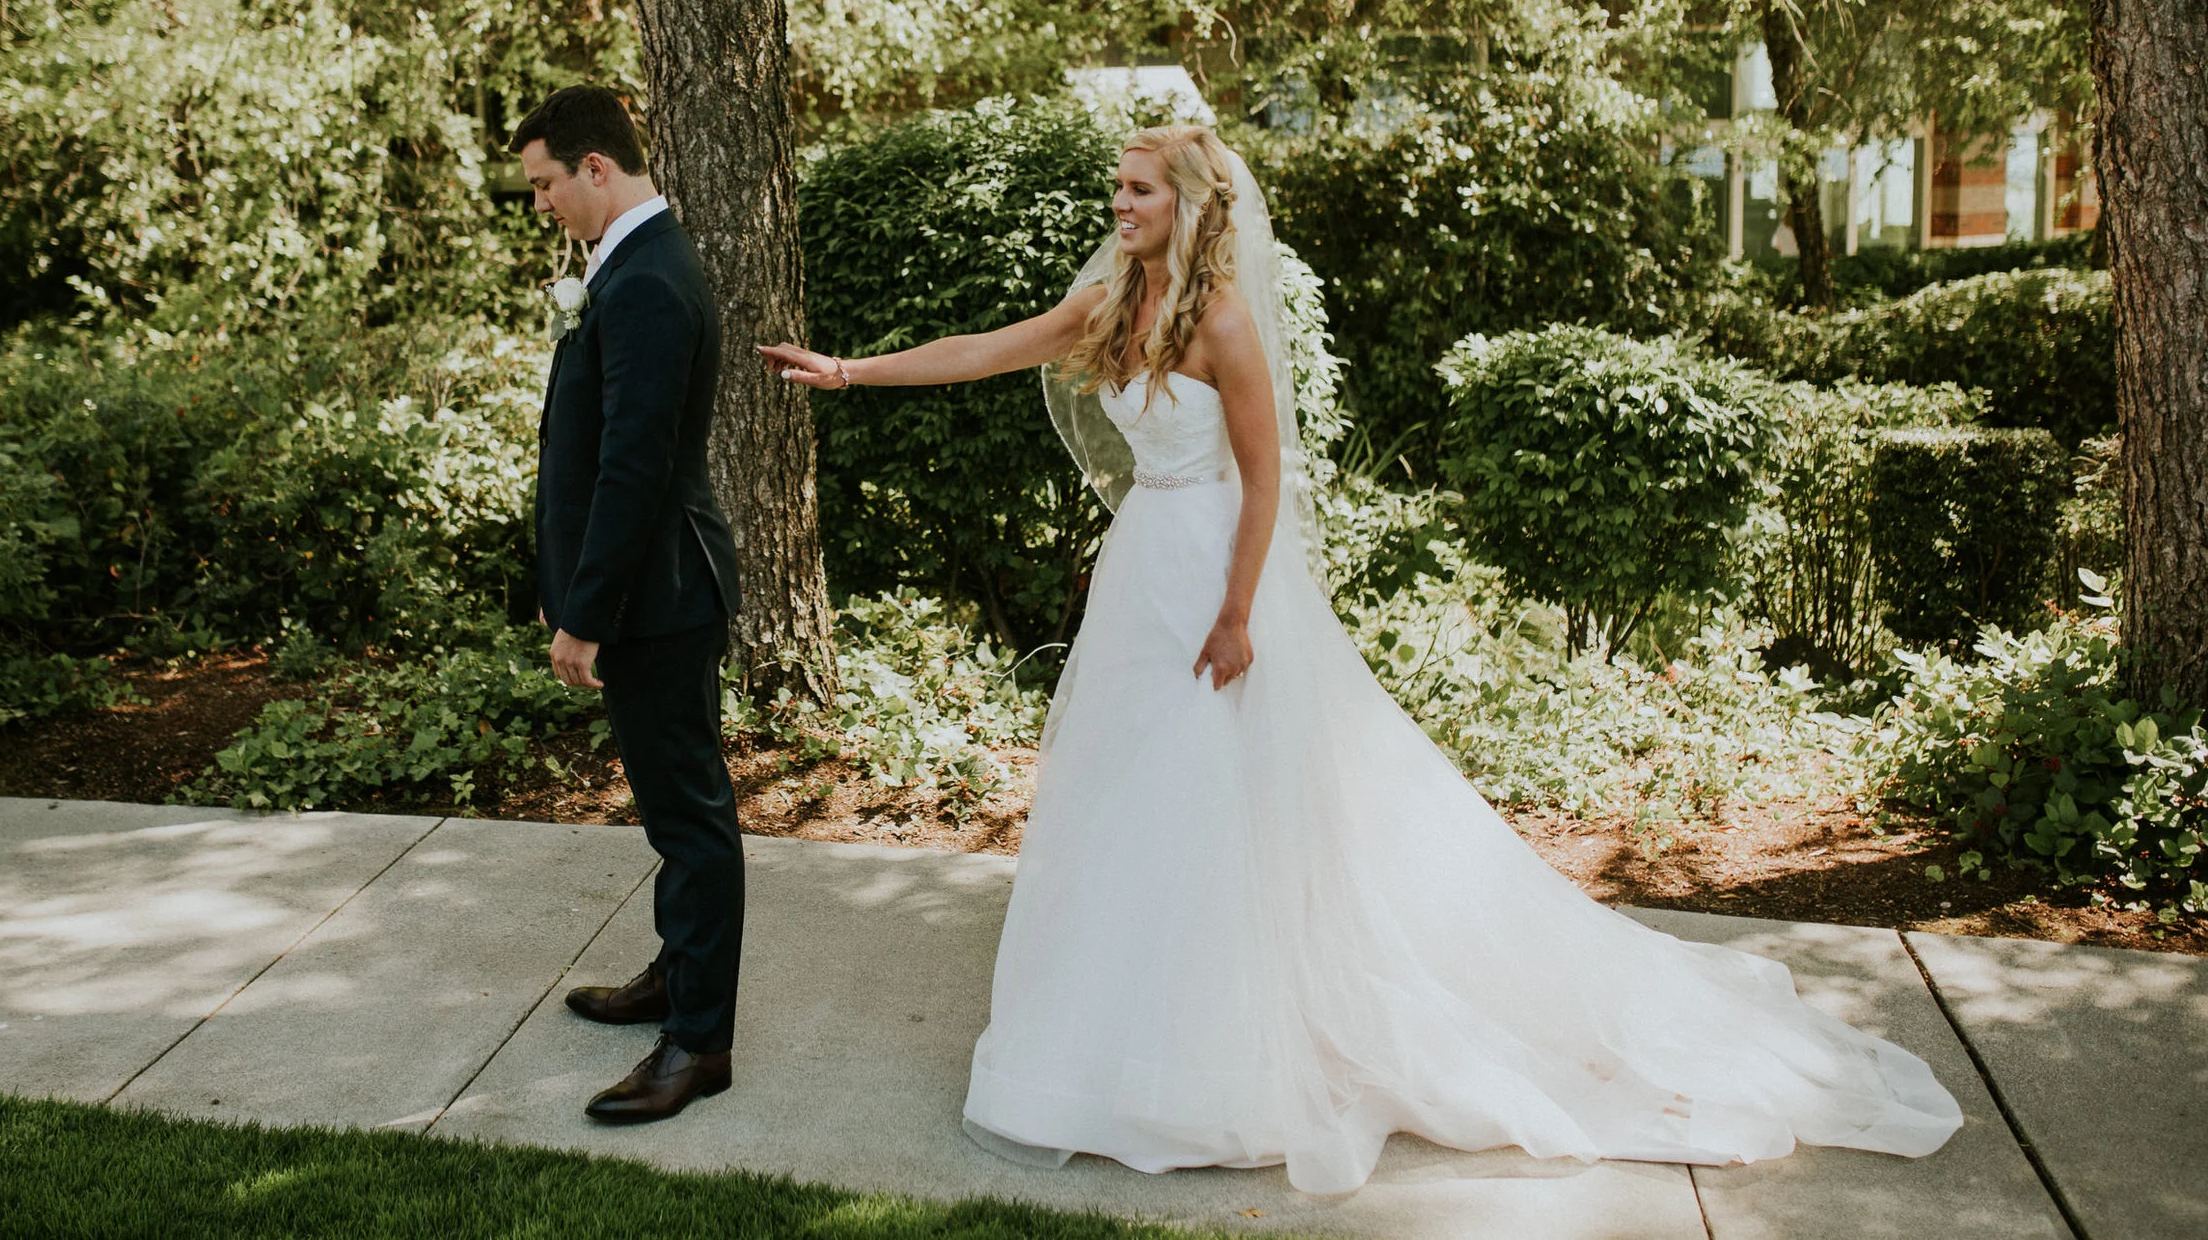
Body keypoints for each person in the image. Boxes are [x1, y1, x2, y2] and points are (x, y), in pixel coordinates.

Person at [759, 123, 1961, 1194]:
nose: (1117, 206)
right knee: (1129, 802)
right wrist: (850, 371)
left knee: (1220, 803)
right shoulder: (1113, 298)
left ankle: (1222, 1058)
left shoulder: (1220, 320)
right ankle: (1107, 1041)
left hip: (1215, 578)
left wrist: (1235, 615)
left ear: (1187, 200)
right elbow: (991, 345)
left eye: (1135, 190)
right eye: (1115, 189)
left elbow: (1266, 475)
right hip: (1141, 576)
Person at [520, 85, 742, 1125]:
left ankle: (698, 1043)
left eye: (543, 182)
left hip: (657, 593)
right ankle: (675, 973)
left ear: (595, 166)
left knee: (691, 818)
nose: (541, 203)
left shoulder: (649, 279)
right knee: (669, 805)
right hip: (647, 590)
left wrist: (584, 612)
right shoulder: (631, 262)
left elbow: (633, 465)